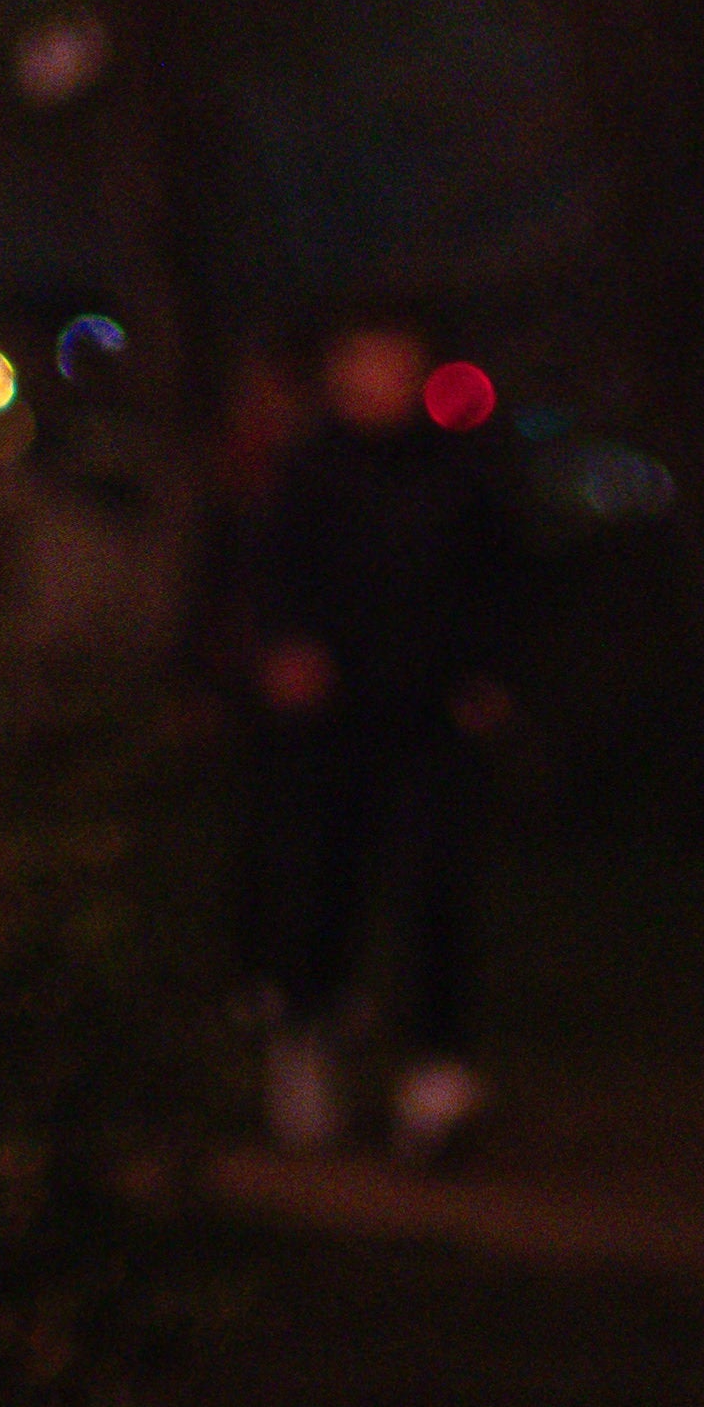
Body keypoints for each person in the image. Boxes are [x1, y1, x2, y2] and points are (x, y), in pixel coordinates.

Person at [248, 303, 527, 1162]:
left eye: (394, 363)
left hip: (432, 711)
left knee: (438, 886)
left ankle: (439, 1074)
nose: (378, 380)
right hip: (332, 714)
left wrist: (491, 675)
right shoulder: (305, 470)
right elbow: (270, 572)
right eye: (361, 362)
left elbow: (502, 577)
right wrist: (289, 648)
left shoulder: (461, 470)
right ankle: (307, 1041)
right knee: (326, 880)